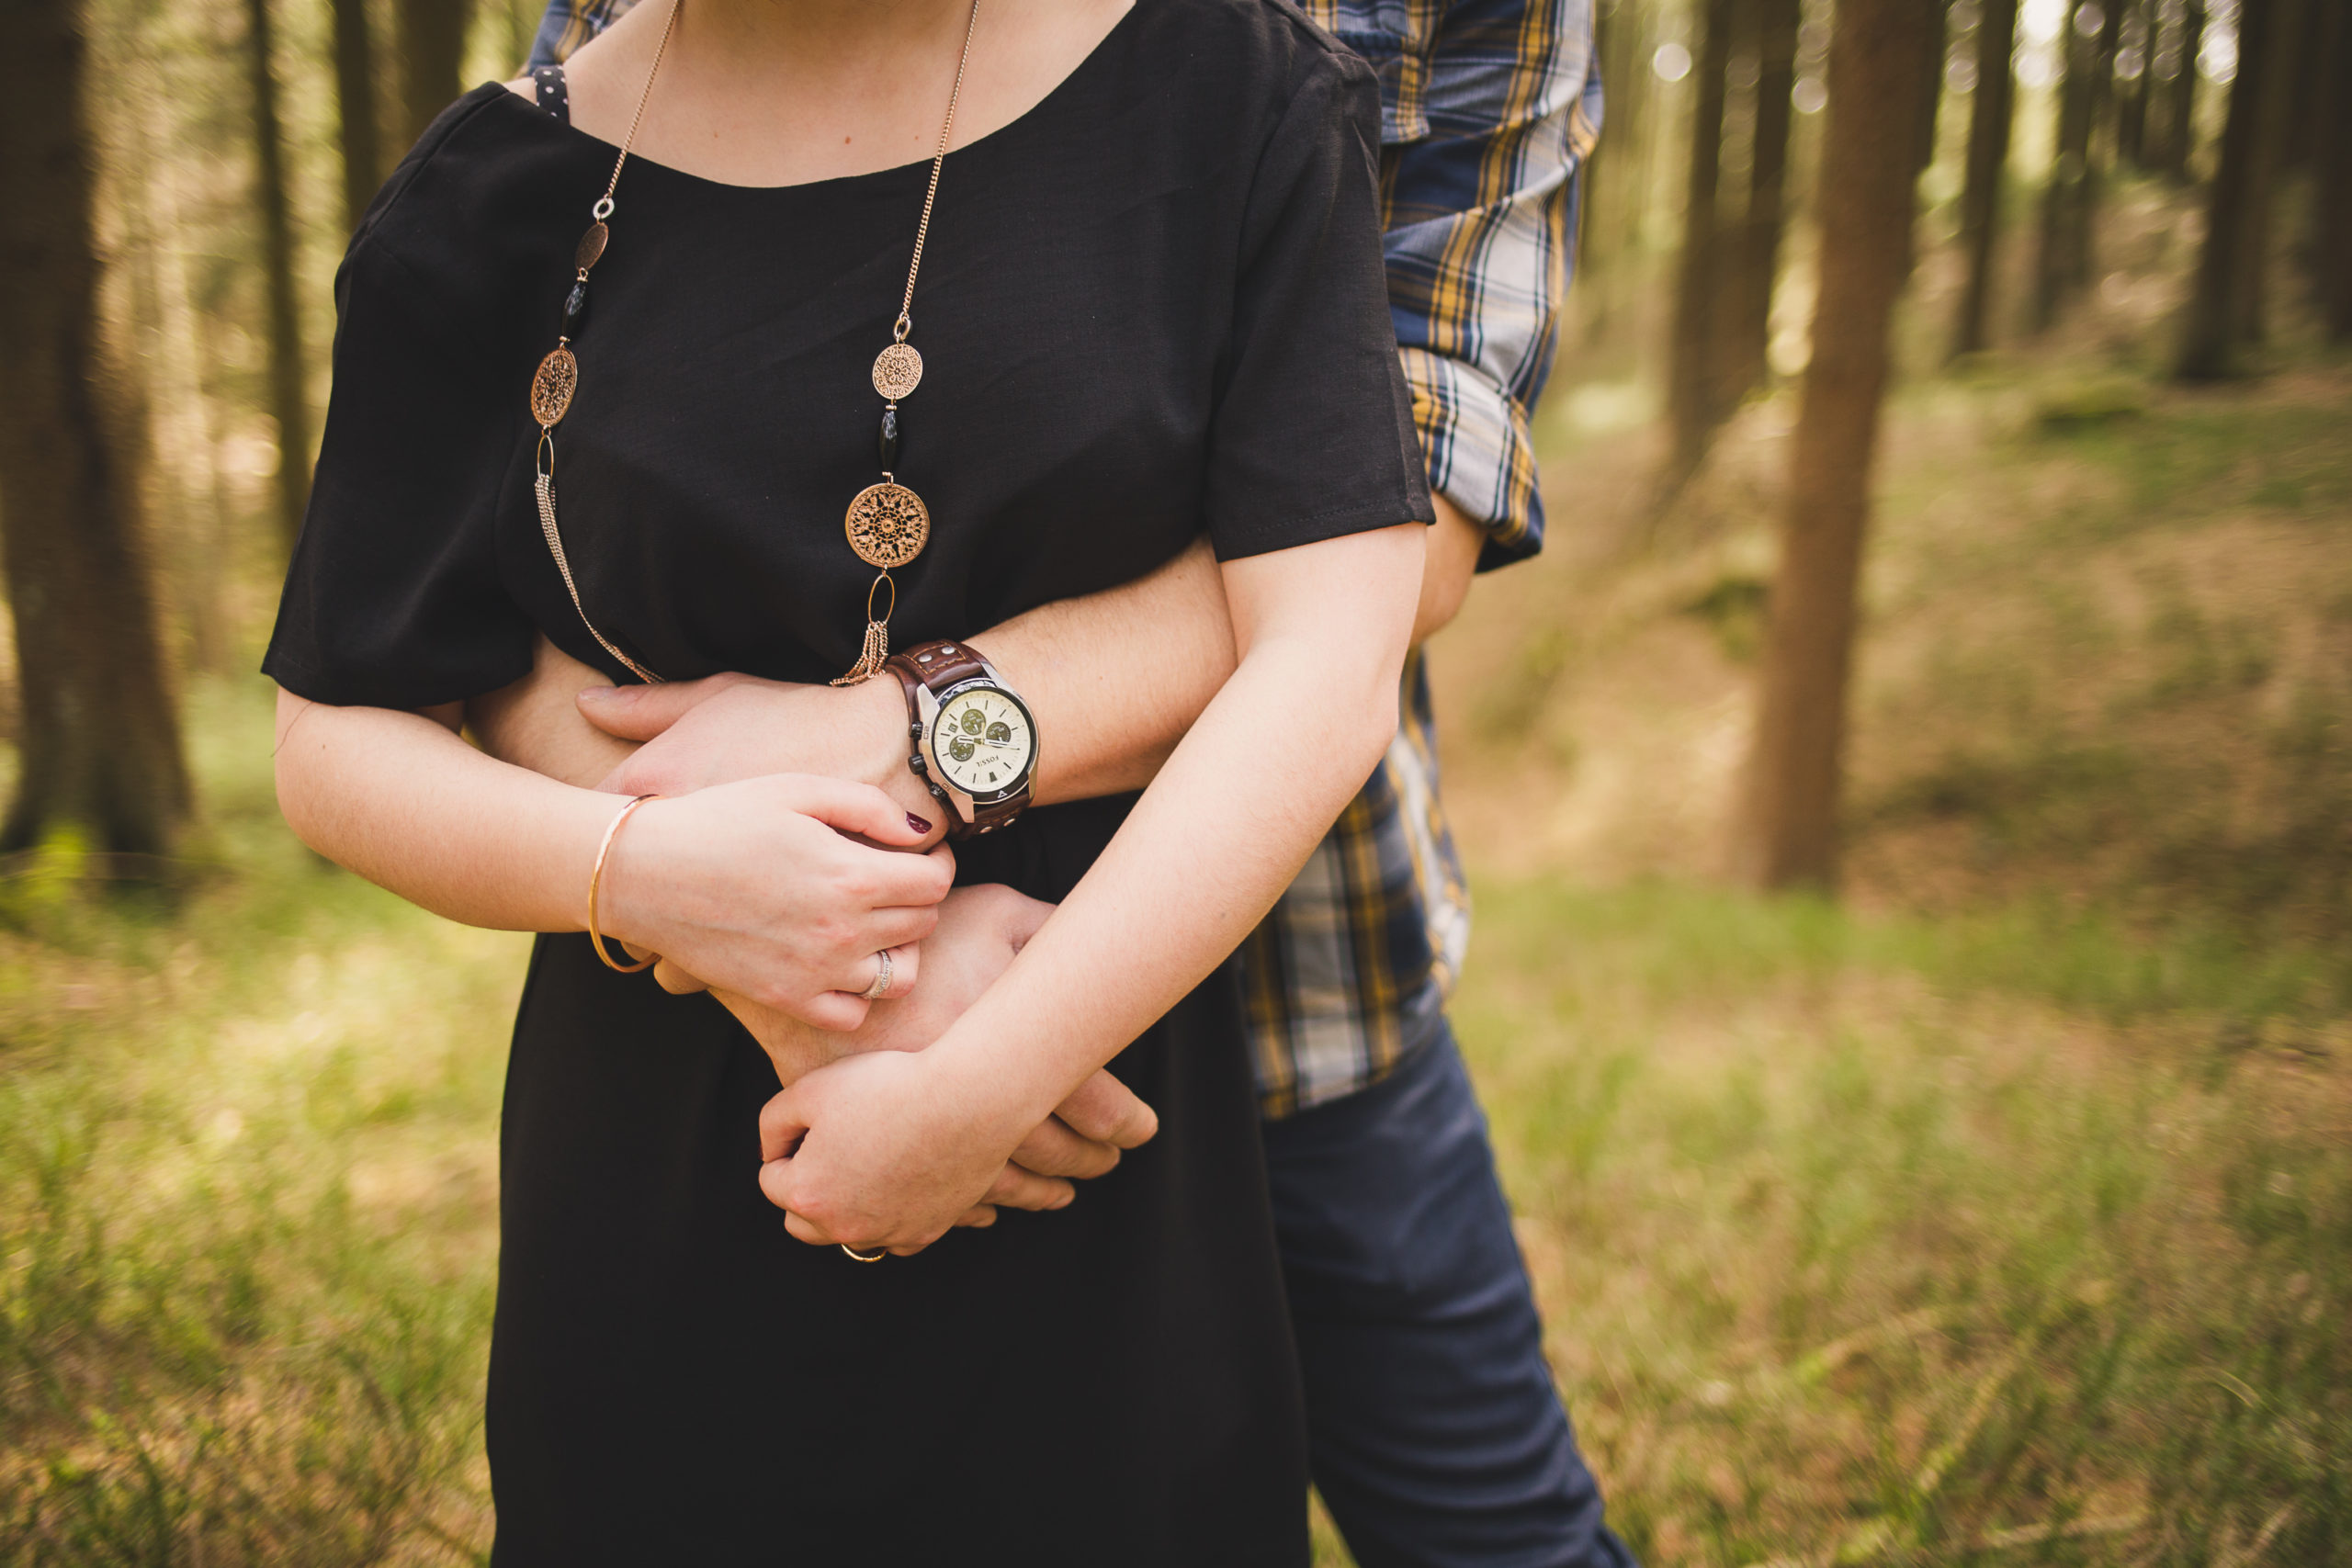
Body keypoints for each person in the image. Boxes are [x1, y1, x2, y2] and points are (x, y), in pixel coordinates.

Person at [266, 0, 1434, 1560]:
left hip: (1083, 1136)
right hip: (672, 1159)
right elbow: (340, 739)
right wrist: (649, 876)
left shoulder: (1234, 97)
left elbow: (1327, 659)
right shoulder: (494, 190)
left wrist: (978, 1085)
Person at [491, 3, 1634, 1566]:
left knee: (1494, 1534)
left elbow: (1401, 514)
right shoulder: (563, 128)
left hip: (1301, 991)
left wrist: (898, 739)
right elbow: (530, 537)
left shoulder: (1321, 68)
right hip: (770, 1049)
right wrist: (826, 950)